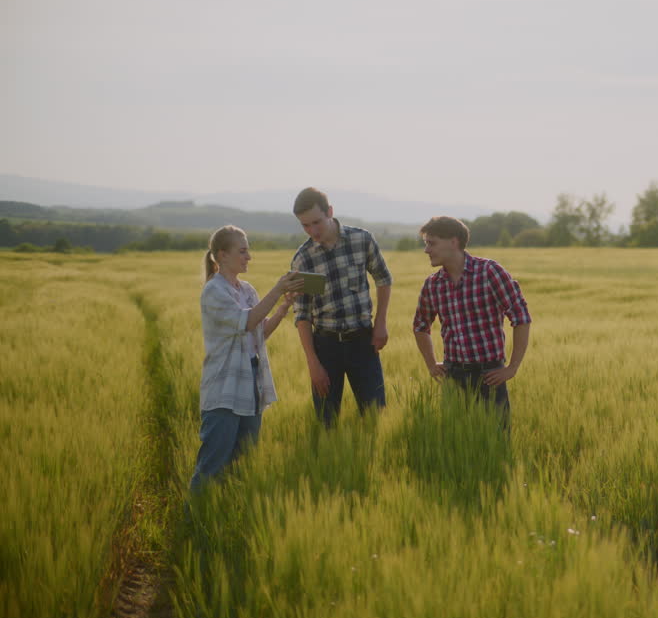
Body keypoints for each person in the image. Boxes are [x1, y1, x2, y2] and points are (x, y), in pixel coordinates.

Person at [192, 225, 303, 490]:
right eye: (242, 251)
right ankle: (195, 513)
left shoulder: (247, 289)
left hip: (252, 382)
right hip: (224, 386)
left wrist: (283, 307)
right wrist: (277, 290)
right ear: (223, 255)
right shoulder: (214, 291)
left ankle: (228, 509)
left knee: (243, 462)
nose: (249, 257)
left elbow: (259, 332)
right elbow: (247, 321)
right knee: (213, 464)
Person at [412, 216, 532, 422]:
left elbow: (521, 317)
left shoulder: (489, 272)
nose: (426, 250)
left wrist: (512, 368)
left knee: (496, 437)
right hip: (453, 376)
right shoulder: (432, 284)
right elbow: (420, 326)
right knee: (455, 439)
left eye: (432, 243)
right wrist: (431, 364)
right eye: (426, 244)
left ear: (453, 242)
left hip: (490, 376)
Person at [290, 187, 394, 425]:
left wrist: (380, 323)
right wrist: (313, 363)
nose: (312, 231)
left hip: (363, 343)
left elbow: (383, 279)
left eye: (316, 222)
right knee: (326, 422)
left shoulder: (361, 240)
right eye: (305, 225)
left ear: (330, 211)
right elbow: (302, 314)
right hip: (325, 347)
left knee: (376, 417)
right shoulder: (304, 258)